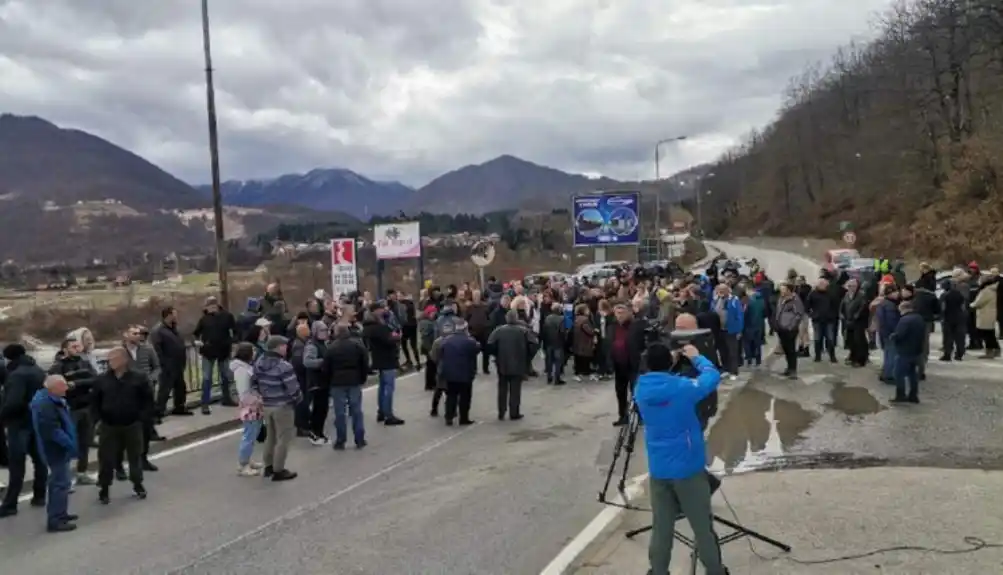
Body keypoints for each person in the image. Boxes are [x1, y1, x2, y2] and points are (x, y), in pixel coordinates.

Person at [634, 342, 728, 575]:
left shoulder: (640, 389)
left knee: (662, 528)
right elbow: (711, 376)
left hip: (659, 468)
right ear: (670, 363)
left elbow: (660, 381)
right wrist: (697, 358)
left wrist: (669, 361)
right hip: (688, 467)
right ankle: (715, 570)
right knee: (702, 527)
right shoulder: (682, 387)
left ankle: (658, 571)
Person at [92, 347, 152, 504]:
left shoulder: (139, 378)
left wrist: (142, 418)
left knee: (135, 456)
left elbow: (147, 401)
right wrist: (97, 420)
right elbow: (95, 403)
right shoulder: (101, 380)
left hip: (132, 424)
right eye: (109, 359)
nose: (110, 362)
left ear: (124, 360)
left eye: (113, 358)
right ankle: (104, 488)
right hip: (109, 425)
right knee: (106, 458)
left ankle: (137, 483)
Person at [0, 344, 48, 518]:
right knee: (40, 460)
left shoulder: (17, 375)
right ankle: (40, 495)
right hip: (38, 421)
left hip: (19, 424)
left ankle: (10, 504)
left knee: (17, 465)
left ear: (9, 358)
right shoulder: (38, 370)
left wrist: (2, 417)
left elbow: (13, 402)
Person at [29, 375, 78, 532]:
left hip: (57, 448)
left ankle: (61, 513)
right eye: (63, 385)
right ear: (53, 387)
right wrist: (70, 445)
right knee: (60, 484)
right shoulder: (46, 405)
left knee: (62, 482)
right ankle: (55, 520)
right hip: (55, 450)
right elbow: (52, 430)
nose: (66, 388)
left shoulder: (50, 400)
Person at [47, 338, 99, 485]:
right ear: (65, 349)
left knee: (85, 441)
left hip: (86, 407)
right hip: (69, 409)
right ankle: (63, 477)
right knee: (66, 443)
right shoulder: (58, 366)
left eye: (78, 346)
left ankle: (82, 472)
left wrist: (75, 384)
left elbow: (95, 379)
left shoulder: (85, 362)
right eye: (73, 346)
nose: (77, 348)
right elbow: (57, 386)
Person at [252, 335, 301, 481]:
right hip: (283, 406)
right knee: (283, 438)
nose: (286, 348)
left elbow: (254, 382)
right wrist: (298, 400)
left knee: (270, 437)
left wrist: (261, 396)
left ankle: (268, 466)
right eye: (284, 346)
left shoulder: (259, 362)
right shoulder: (284, 366)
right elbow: (293, 388)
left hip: (267, 405)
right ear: (278, 347)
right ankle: (278, 469)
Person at [487, 309, 540, 421]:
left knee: (502, 388)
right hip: (518, 363)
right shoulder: (523, 331)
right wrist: (527, 356)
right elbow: (535, 344)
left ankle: (501, 412)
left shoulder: (498, 331)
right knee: (515, 389)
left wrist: (497, 354)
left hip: (502, 363)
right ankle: (514, 412)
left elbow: (490, 344)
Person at [322, 323, 368, 450]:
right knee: (356, 410)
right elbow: (364, 363)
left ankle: (341, 440)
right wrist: (362, 377)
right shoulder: (357, 345)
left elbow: (326, 368)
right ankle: (359, 438)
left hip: (337, 382)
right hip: (354, 380)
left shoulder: (331, 348)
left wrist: (329, 380)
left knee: (340, 413)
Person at [193, 295, 237, 413]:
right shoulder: (204, 319)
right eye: (208, 306)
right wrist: (197, 342)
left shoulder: (227, 316)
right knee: (207, 378)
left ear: (217, 305)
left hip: (223, 350)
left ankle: (226, 398)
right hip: (208, 351)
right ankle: (205, 403)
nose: (211, 308)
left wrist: (232, 342)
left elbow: (236, 331)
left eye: (212, 305)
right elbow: (196, 333)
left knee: (225, 376)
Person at [363, 302, 405, 426]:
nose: (385, 310)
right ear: (376, 311)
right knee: (388, 387)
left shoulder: (370, 326)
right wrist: (396, 337)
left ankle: (382, 411)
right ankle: (388, 414)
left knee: (382, 386)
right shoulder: (378, 327)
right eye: (382, 308)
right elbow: (388, 340)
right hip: (386, 359)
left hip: (379, 359)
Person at [436, 320, 480, 426]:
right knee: (465, 397)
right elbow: (477, 350)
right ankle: (463, 418)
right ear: (465, 329)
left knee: (451, 396)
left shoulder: (446, 341)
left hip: (450, 373)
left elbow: (440, 353)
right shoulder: (470, 341)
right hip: (466, 373)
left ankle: (449, 417)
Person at [151, 306, 192, 417]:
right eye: (174, 314)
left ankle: (179, 407)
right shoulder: (158, 331)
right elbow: (157, 349)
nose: (176, 316)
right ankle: (159, 411)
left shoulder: (175, 329)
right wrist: (163, 363)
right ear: (168, 316)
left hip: (178, 364)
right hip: (167, 365)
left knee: (180, 387)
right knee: (165, 388)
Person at [231, 342, 265, 476]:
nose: (255, 353)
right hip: (250, 407)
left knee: (253, 433)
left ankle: (247, 459)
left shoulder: (246, 367)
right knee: (249, 435)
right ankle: (243, 464)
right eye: (253, 351)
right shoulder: (242, 370)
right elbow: (244, 392)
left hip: (254, 405)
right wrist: (257, 401)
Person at [892, 300, 926, 404]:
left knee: (898, 374)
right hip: (916, 351)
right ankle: (913, 395)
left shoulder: (905, 320)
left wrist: (893, 336)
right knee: (912, 374)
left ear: (903, 309)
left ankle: (900, 394)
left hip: (904, 351)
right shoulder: (919, 318)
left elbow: (899, 334)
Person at [774, 282, 805, 379]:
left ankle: (793, 370)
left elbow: (799, 314)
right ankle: (789, 368)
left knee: (791, 350)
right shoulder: (781, 298)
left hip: (790, 329)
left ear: (789, 290)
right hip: (781, 328)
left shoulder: (795, 300)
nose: (781, 292)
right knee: (786, 350)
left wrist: (791, 326)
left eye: (783, 290)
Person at [541, 302, 568, 384]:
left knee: (549, 361)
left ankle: (549, 377)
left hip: (549, 342)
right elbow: (562, 332)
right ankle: (557, 378)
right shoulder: (561, 319)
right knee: (558, 361)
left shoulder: (547, 318)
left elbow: (544, 330)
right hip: (558, 343)